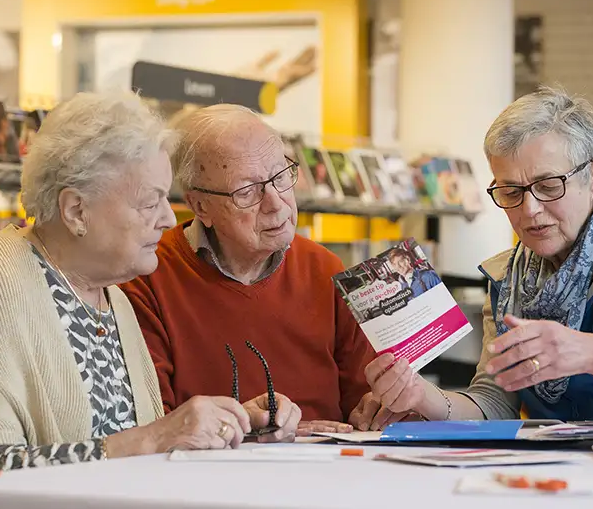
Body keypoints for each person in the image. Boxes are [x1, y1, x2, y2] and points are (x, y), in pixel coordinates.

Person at [0, 91, 300, 479]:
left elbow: (122, 447)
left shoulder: (112, 296)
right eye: (150, 202)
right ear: (77, 210)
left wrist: (235, 424)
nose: (167, 219)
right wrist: (152, 439)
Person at [362, 85, 593, 430]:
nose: (530, 209)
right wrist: (421, 395)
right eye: (510, 191)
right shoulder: (508, 279)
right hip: (559, 471)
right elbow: (495, 403)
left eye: (549, 186)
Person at [120, 104, 394, 435]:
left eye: (281, 177)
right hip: (206, 478)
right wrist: (247, 429)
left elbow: (362, 402)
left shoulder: (324, 268)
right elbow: (152, 427)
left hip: (327, 473)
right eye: (248, 191)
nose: (276, 202)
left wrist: (377, 406)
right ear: (200, 206)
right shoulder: (148, 279)